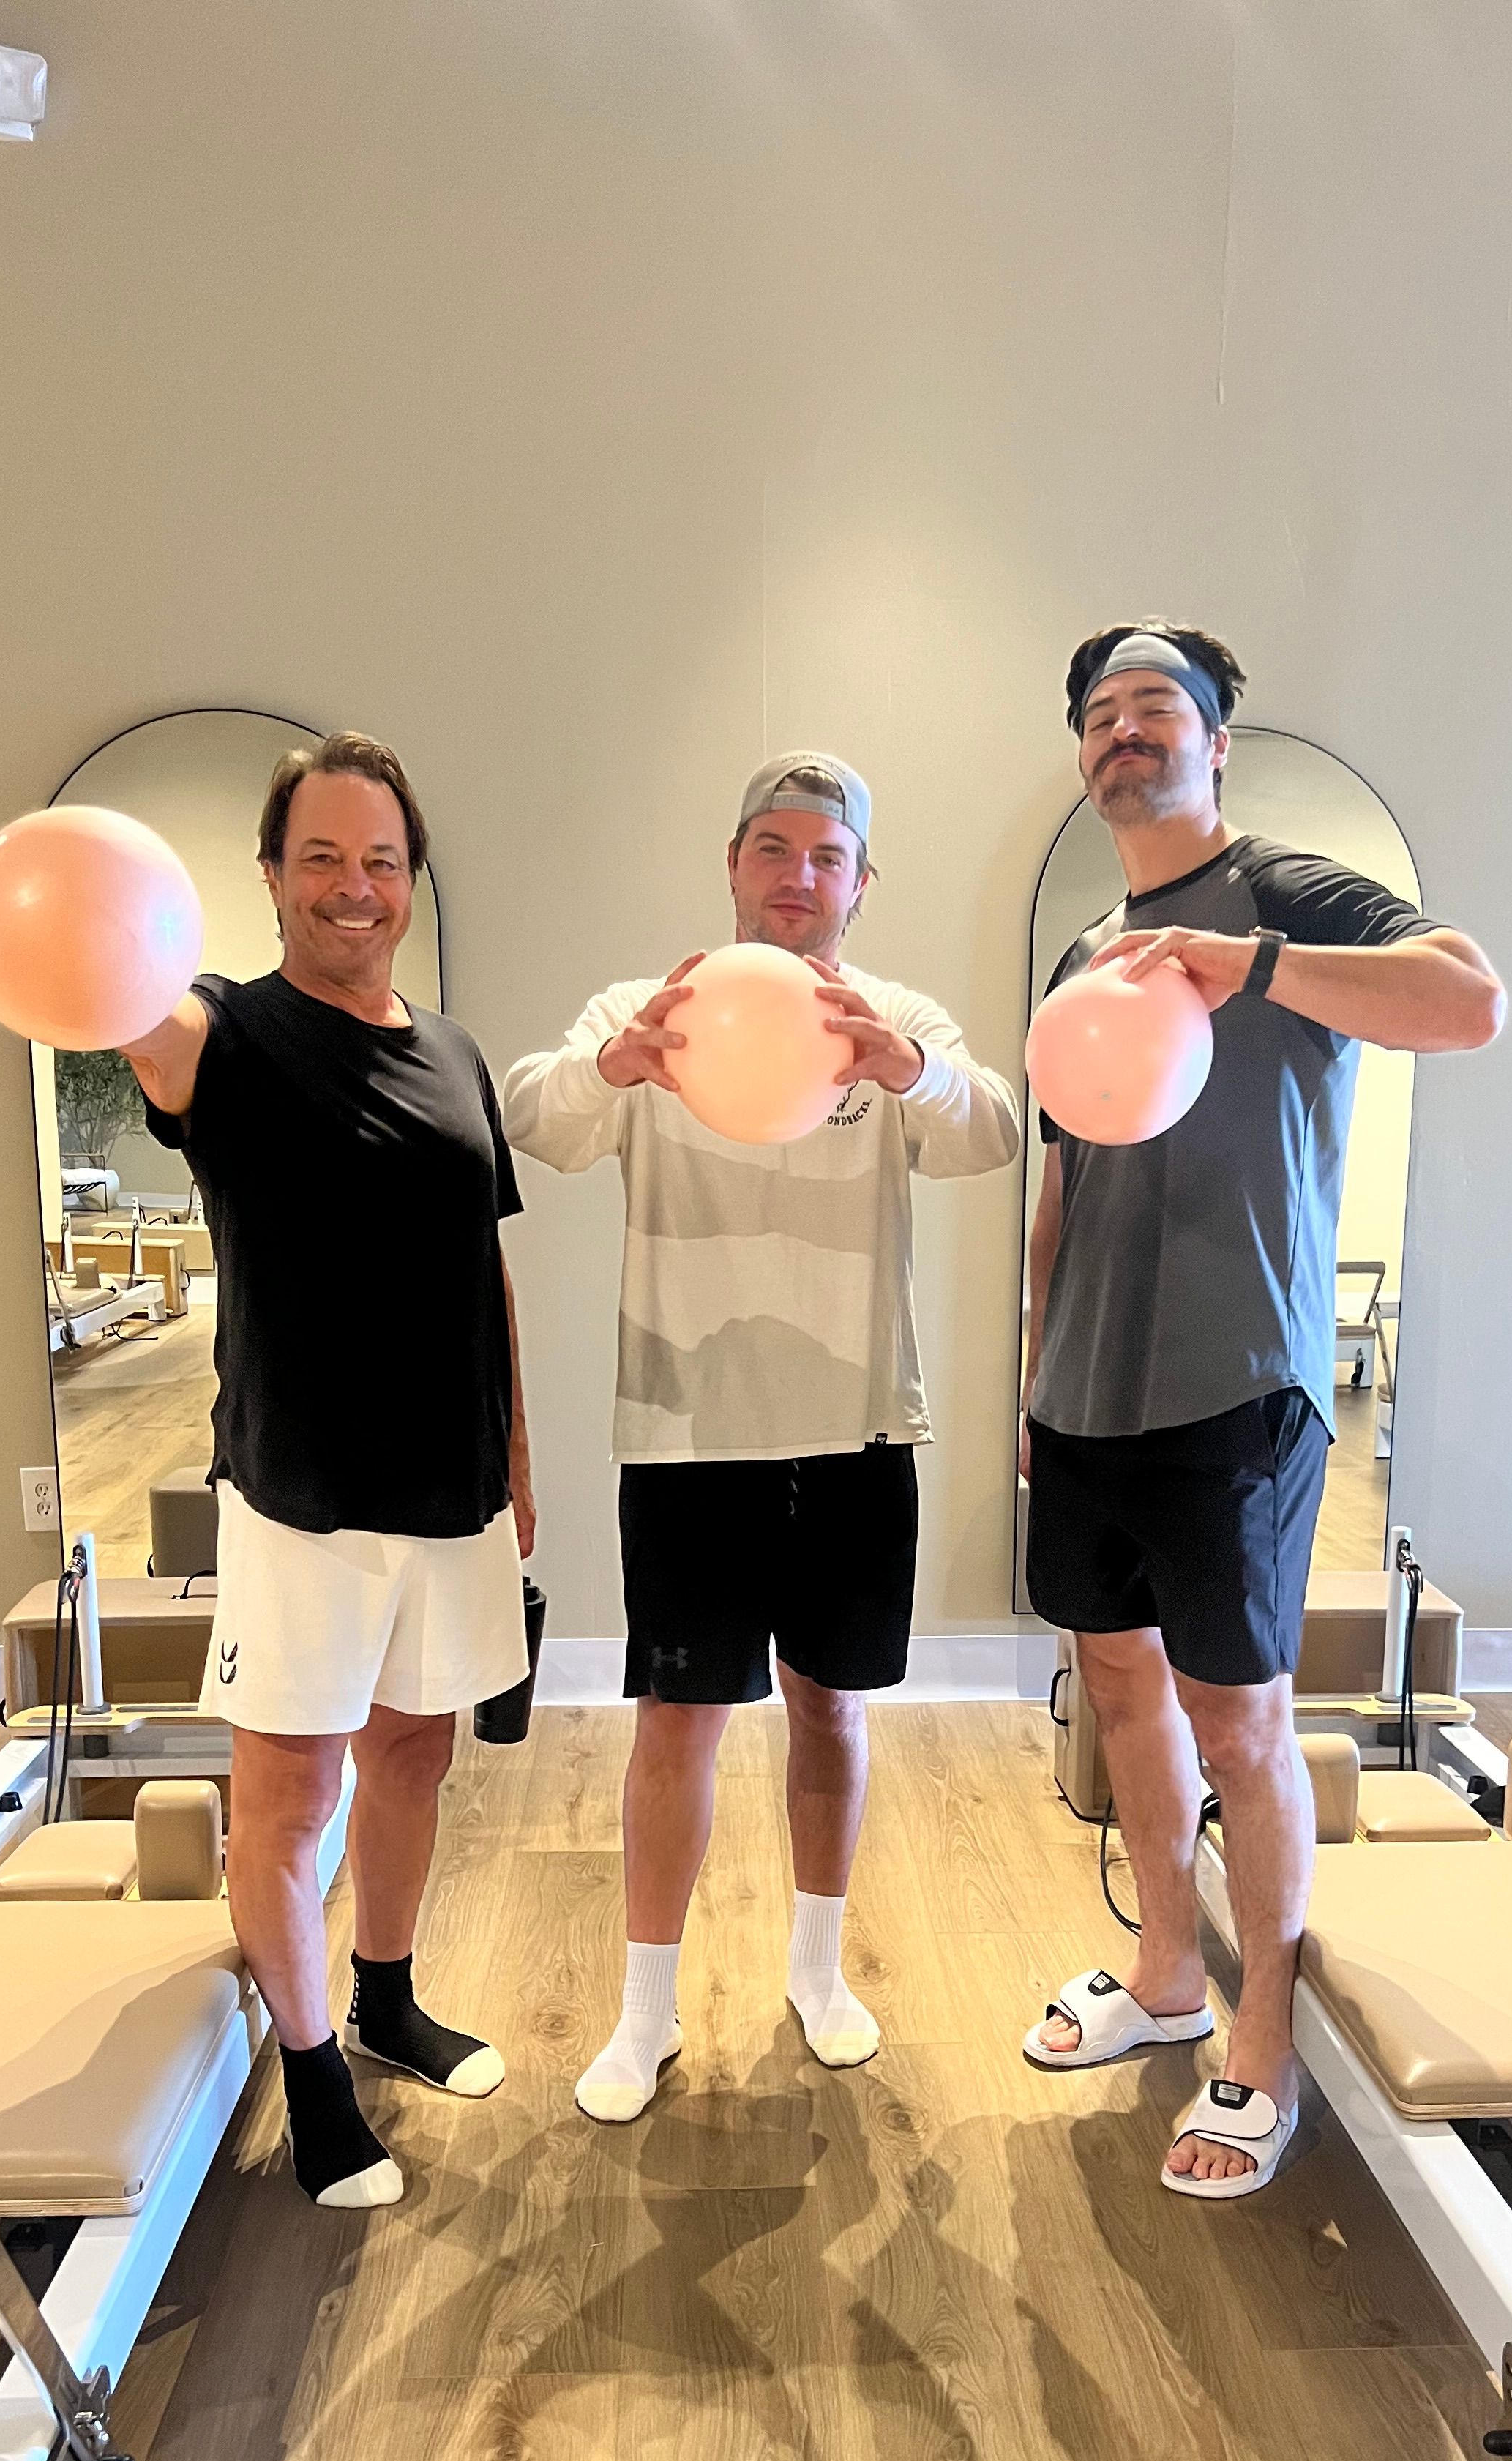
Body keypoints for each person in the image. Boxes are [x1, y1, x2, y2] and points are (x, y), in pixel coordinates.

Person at [1020, 627, 1505, 2199]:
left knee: (1241, 1715)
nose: (1122, 735)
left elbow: (1469, 1000)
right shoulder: (1084, 946)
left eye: (1154, 709)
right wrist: (1037, 1360)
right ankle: (1169, 1977)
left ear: (1217, 743)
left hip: (1241, 1382)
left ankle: (1262, 2044)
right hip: (1086, 1385)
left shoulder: (1290, 896)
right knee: (1122, 1685)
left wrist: (1262, 970)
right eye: (1099, 716)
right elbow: (1065, 1174)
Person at [502, 751, 1019, 2121]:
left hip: (855, 1428)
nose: (799, 879)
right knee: (677, 1721)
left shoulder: (890, 1015)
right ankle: (646, 2011)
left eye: (826, 857)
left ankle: (819, 1969)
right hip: (684, 1431)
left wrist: (908, 1071)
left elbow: (993, 1138)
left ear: (859, 881)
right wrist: (612, 1067)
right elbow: (533, 1121)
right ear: (733, 865)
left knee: (831, 1708)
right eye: (774, 850)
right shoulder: (653, 1009)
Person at [122, 731, 534, 2210]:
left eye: (380, 861)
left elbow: (480, 1271)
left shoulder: (458, 1052)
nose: (354, 889)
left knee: (415, 1755)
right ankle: (313, 2089)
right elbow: (132, 1017)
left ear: (409, 878)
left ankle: (385, 1995)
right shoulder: (222, 1034)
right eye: (322, 858)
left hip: (454, 1489)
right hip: (302, 1495)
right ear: (273, 874)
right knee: (289, 1798)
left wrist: (518, 1461)